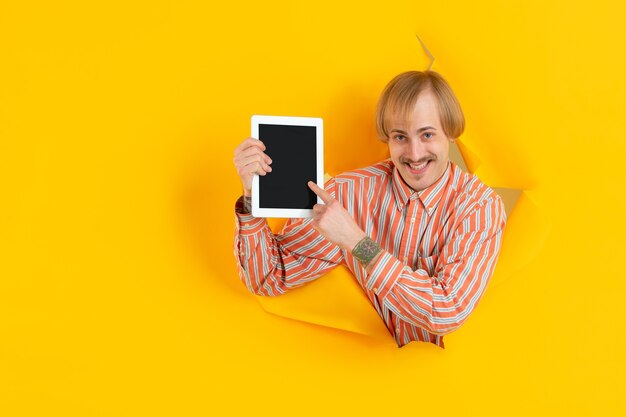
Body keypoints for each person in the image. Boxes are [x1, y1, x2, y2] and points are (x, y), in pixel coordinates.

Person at [232, 70, 506, 348]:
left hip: (450, 382)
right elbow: (269, 277)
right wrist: (252, 199)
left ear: (449, 132)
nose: (414, 153)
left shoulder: (479, 207)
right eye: (400, 137)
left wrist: (356, 242)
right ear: (387, 138)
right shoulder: (346, 195)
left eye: (426, 134)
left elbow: (447, 309)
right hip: (363, 379)